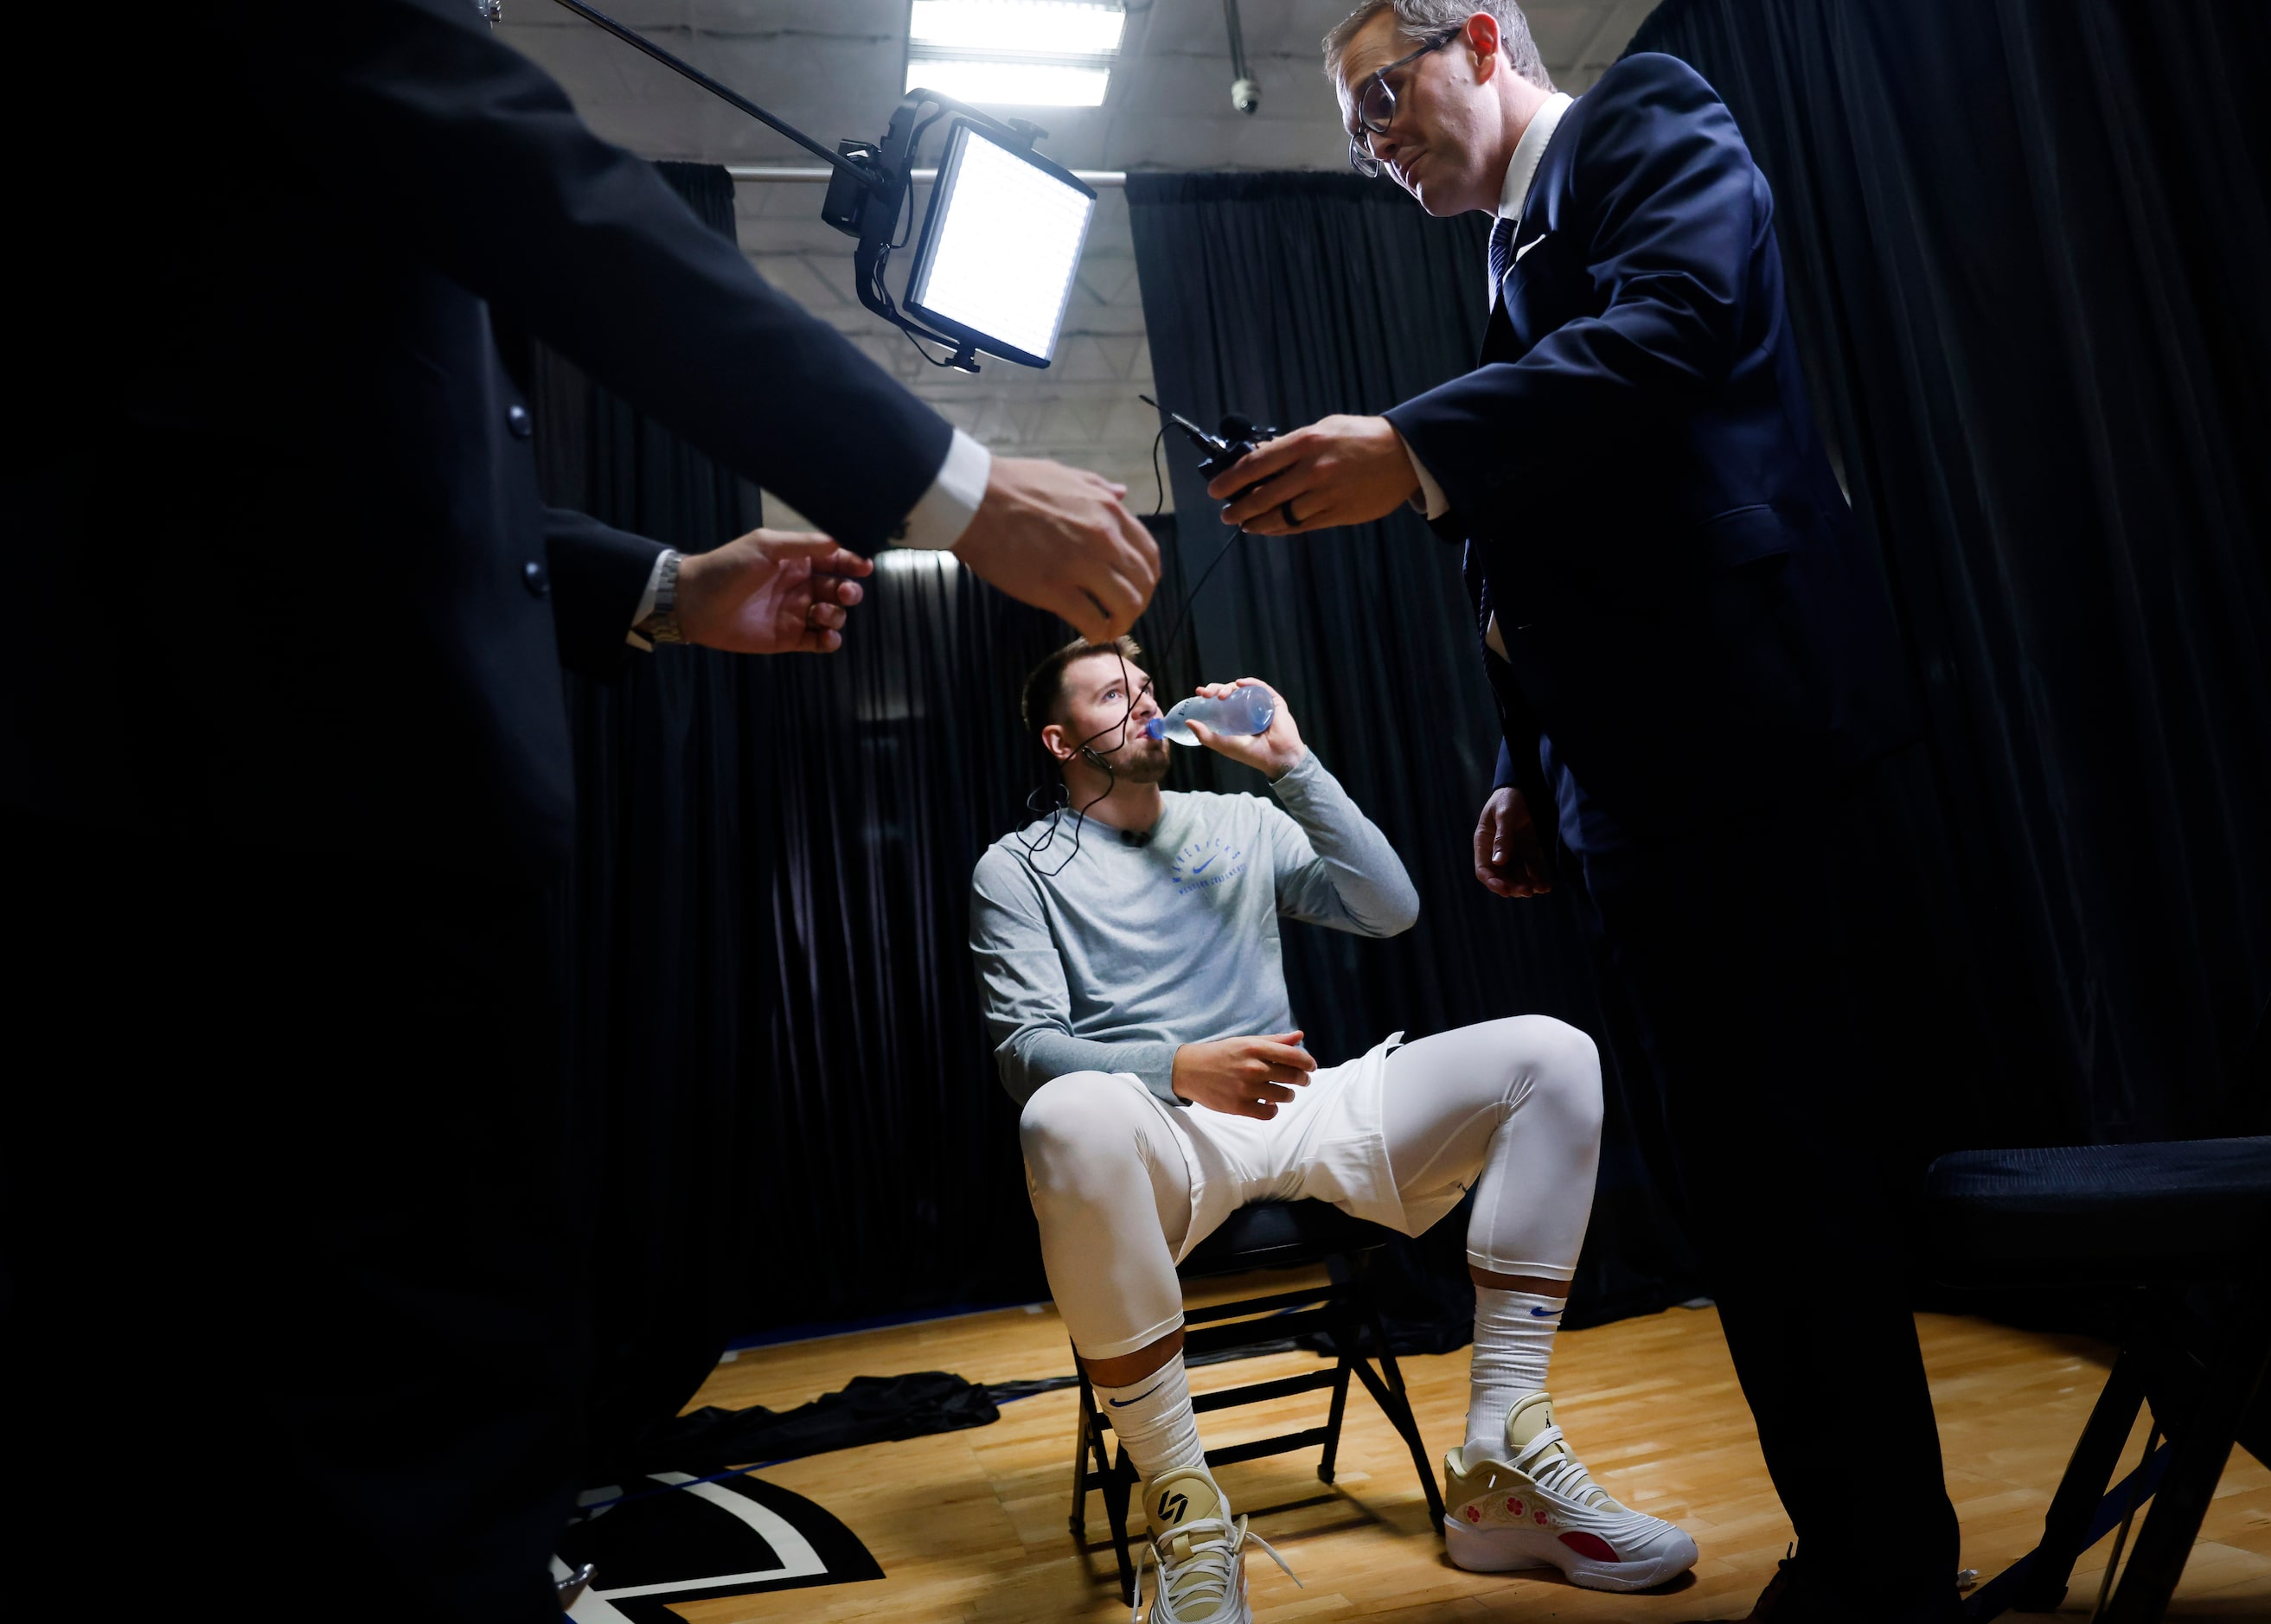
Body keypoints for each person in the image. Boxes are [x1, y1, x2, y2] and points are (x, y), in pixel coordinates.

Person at [0, 3, 1155, 1619]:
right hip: (272, 818)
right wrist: (951, 487)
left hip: (294, 798)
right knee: (412, 1448)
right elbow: (524, 182)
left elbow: (339, 403)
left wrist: (669, 587)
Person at [1199, 7, 1952, 1621]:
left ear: (1482, 37)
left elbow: (1678, 328)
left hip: (1749, 758)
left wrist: (1409, 446)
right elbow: (1556, 543)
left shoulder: (1646, 122)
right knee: (1741, 1200)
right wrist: (1518, 765)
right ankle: (1861, 1548)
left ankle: (1887, 1568)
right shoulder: (1505, 267)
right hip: (1632, 794)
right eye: (1349, 125)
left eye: (1380, 95)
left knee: (1796, 1189)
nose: (1368, 140)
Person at [969, 638, 1697, 1624]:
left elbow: (1389, 909)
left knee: (1553, 1053)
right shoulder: (1017, 867)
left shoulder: (1239, 820)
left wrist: (1292, 768)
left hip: (1298, 1104)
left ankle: (1501, 1462)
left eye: (1144, 685)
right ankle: (1186, 1513)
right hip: (1161, 1133)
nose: (1141, 703)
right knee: (1058, 1114)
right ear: (1060, 740)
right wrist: (1176, 1067)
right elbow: (1025, 1051)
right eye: (1110, 695)